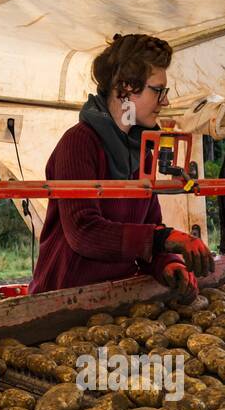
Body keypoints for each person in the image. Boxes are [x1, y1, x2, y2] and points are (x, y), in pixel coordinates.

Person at [29, 33, 213, 298]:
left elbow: (151, 227)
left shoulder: (140, 152)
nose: (166, 102)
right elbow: (84, 233)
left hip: (115, 297)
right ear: (126, 88)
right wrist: (166, 239)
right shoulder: (79, 143)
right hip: (64, 299)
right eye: (158, 91)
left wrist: (168, 262)